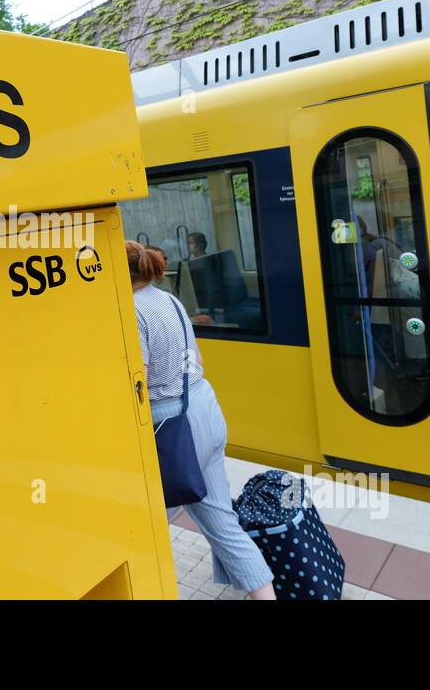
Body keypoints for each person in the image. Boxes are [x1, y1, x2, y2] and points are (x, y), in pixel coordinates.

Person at [126, 240, 276, 600]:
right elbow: (198, 358)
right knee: (224, 524)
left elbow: (139, 383)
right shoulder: (171, 301)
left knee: (143, 526)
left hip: (171, 426)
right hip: (204, 406)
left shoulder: (130, 310)